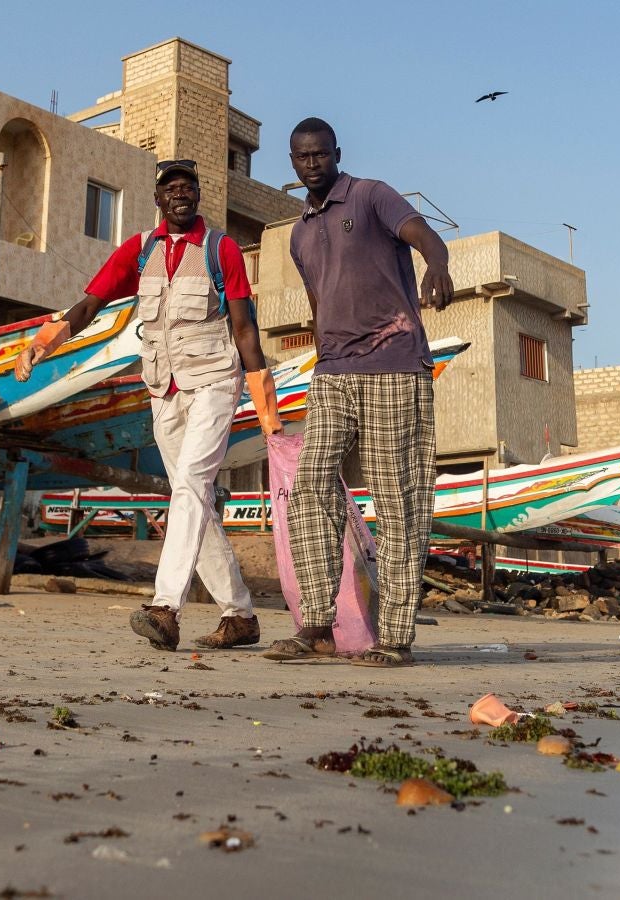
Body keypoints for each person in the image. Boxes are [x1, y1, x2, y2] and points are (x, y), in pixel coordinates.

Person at [14, 159, 282, 652]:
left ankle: (165, 606)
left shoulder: (220, 248)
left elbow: (244, 328)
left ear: (198, 194)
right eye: (170, 188)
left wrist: (266, 408)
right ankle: (240, 614)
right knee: (191, 497)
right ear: (158, 199)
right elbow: (90, 305)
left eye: (188, 187)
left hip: (215, 381)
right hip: (163, 388)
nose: (180, 194)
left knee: (193, 485)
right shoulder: (140, 251)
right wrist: (43, 342)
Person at [263, 117, 453, 668]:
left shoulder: (371, 196)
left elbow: (424, 234)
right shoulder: (299, 233)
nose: (313, 163)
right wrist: (321, 359)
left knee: (399, 501)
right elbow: (319, 302)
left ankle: (395, 639)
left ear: (336, 153)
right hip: (334, 374)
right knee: (311, 491)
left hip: (395, 366)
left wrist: (436, 265)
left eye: (321, 154)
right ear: (293, 164)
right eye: (302, 157)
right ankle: (318, 624)